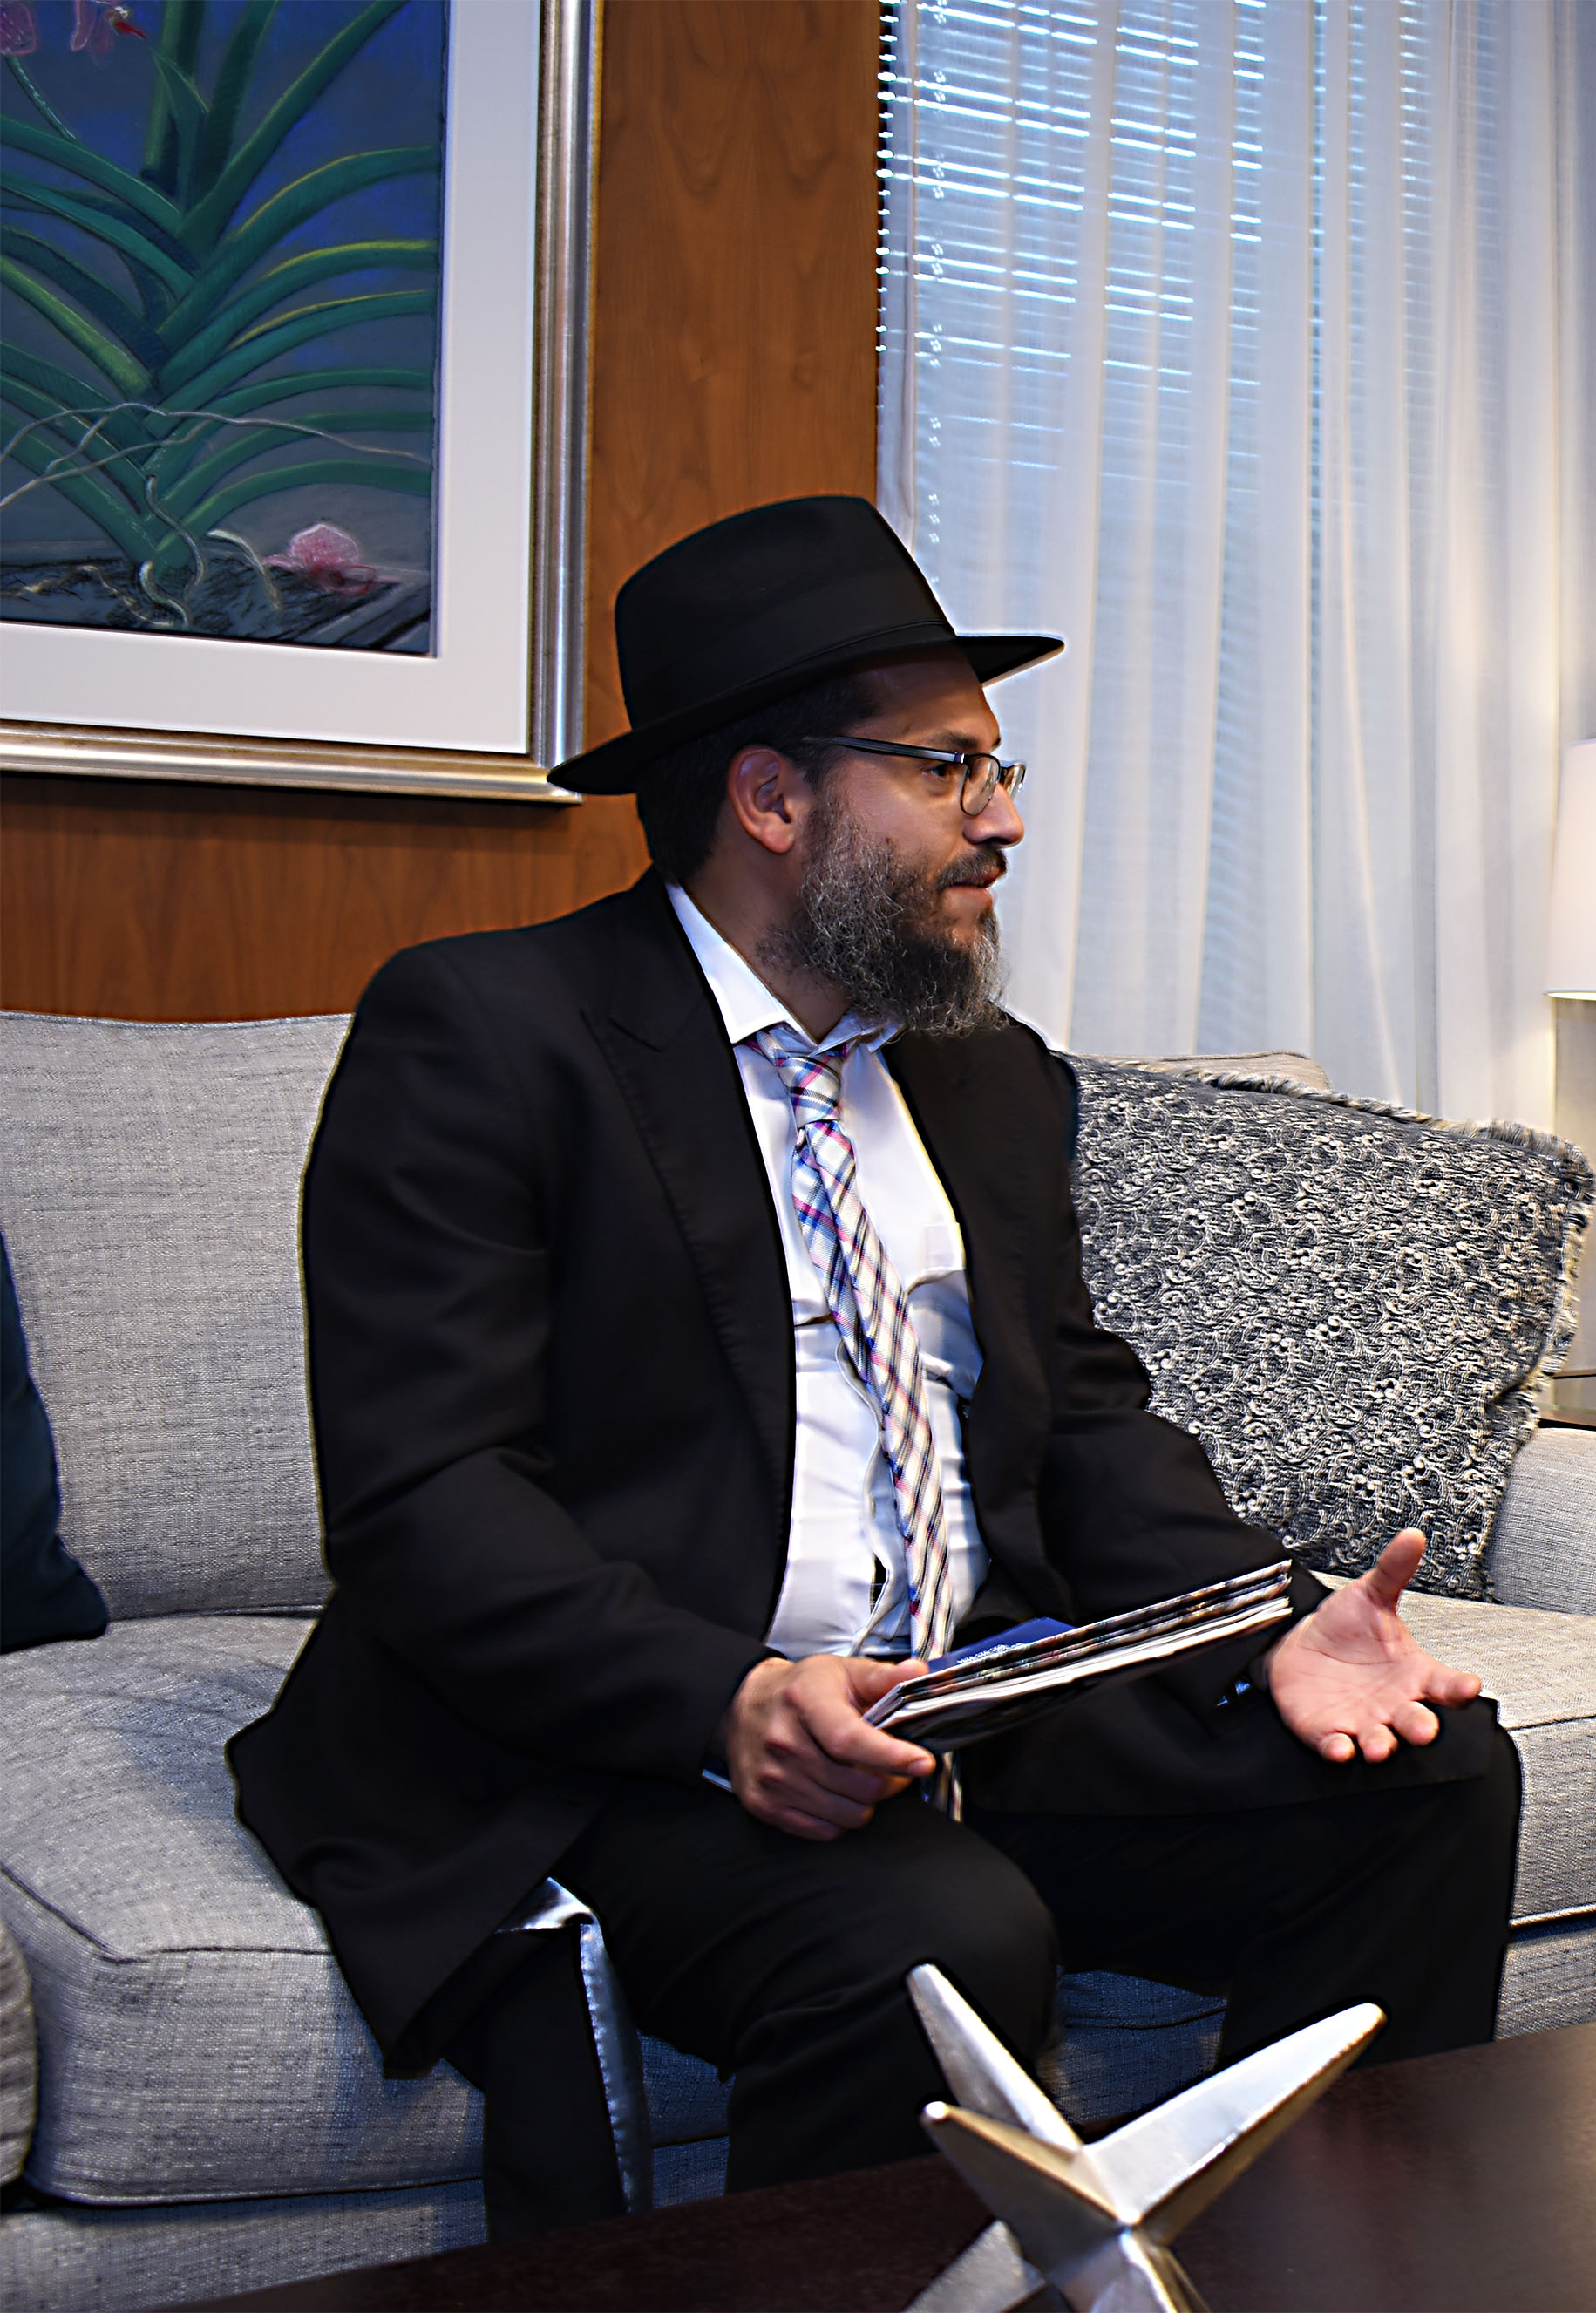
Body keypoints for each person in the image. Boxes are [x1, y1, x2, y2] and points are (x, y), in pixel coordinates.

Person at [228, 495, 1521, 2237]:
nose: (1002, 824)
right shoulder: (489, 1031)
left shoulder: (981, 1074)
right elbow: (424, 1495)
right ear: (772, 797)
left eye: (998, 773)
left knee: (1428, 1775)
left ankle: (1297, 2275)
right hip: (626, 1740)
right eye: (948, 769)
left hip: (954, 1703)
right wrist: (723, 1698)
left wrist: (1268, 1625)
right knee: (939, 1934)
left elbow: (1077, 1413)